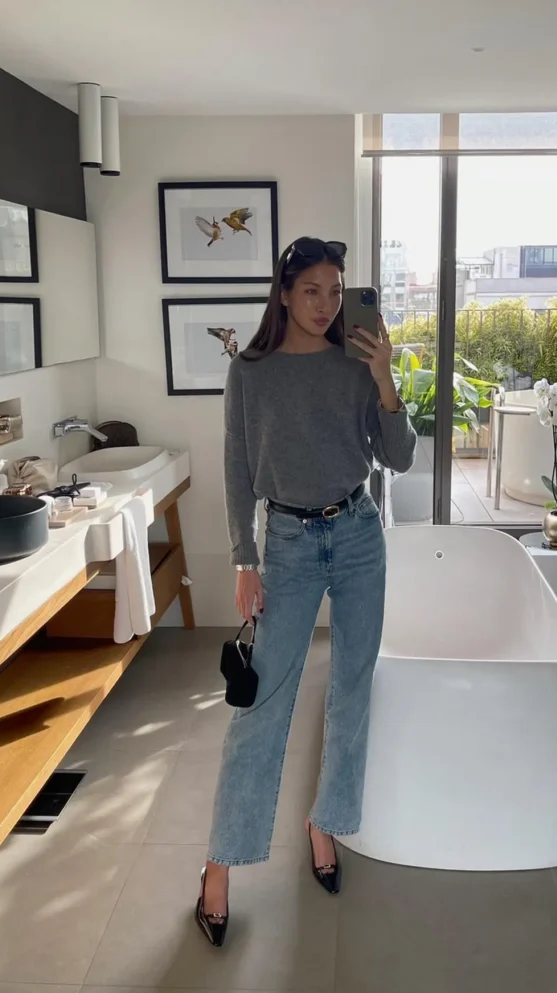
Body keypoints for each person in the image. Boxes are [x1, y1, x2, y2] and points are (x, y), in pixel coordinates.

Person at [196, 237, 416, 947]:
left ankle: (324, 821)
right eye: (312, 290)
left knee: (352, 691)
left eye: (335, 290)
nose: (325, 305)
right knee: (261, 708)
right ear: (284, 293)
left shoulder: (356, 365)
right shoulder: (251, 372)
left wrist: (384, 379)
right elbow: (236, 469)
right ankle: (220, 868)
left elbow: (399, 456)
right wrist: (243, 559)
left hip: (357, 535)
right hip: (286, 544)